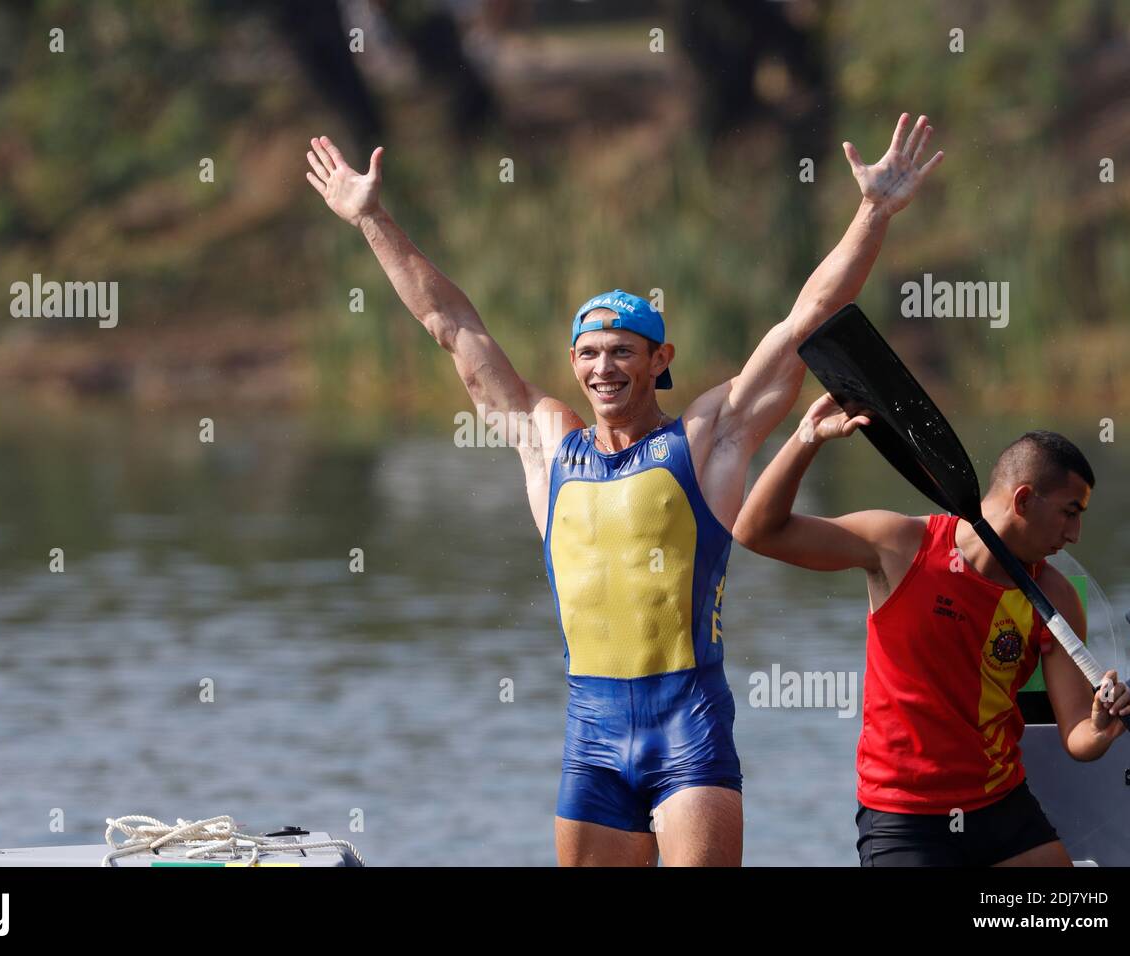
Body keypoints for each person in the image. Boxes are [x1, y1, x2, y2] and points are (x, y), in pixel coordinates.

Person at [305, 113, 942, 866]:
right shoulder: (547, 445)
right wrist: (372, 216)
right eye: (588, 353)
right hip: (592, 736)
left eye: (622, 352)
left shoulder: (708, 439)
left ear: (659, 358)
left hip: (690, 730)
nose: (603, 367)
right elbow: (451, 326)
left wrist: (872, 213)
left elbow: (805, 321)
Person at [733, 396, 1130, 866]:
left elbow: (1077, 739)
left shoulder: (1055, 598)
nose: (1075, 535)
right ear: (1024, 499)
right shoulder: (900, 546)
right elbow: (756, 532)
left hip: (1000, 808)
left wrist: (1101, 726)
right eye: (1071, 512)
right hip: (905, 816)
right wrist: (806, 438)